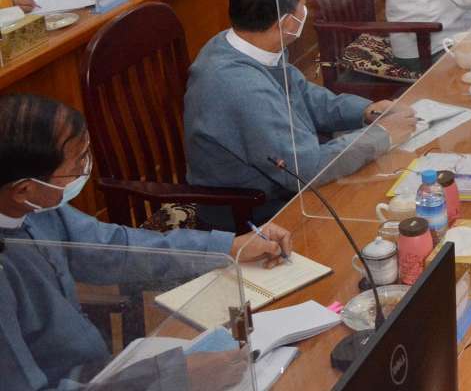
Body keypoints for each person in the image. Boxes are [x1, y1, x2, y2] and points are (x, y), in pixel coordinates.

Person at [0, 94, 291, 390]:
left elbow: (119, 250)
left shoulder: (39, 209)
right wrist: (175, 376)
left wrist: (226, 247)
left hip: (103, 370)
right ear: (24, 190)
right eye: (78, 163)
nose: (87, 169)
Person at [184, 0, 415, 227]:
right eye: (303, 5)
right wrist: (382, 135)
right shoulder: (241, 88)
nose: (307, 10)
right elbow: (306, 170)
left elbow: (304, 94)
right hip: (255, 214)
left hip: (286, 182)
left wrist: (365, 111)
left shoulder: (243, 43)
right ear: (287, 23)